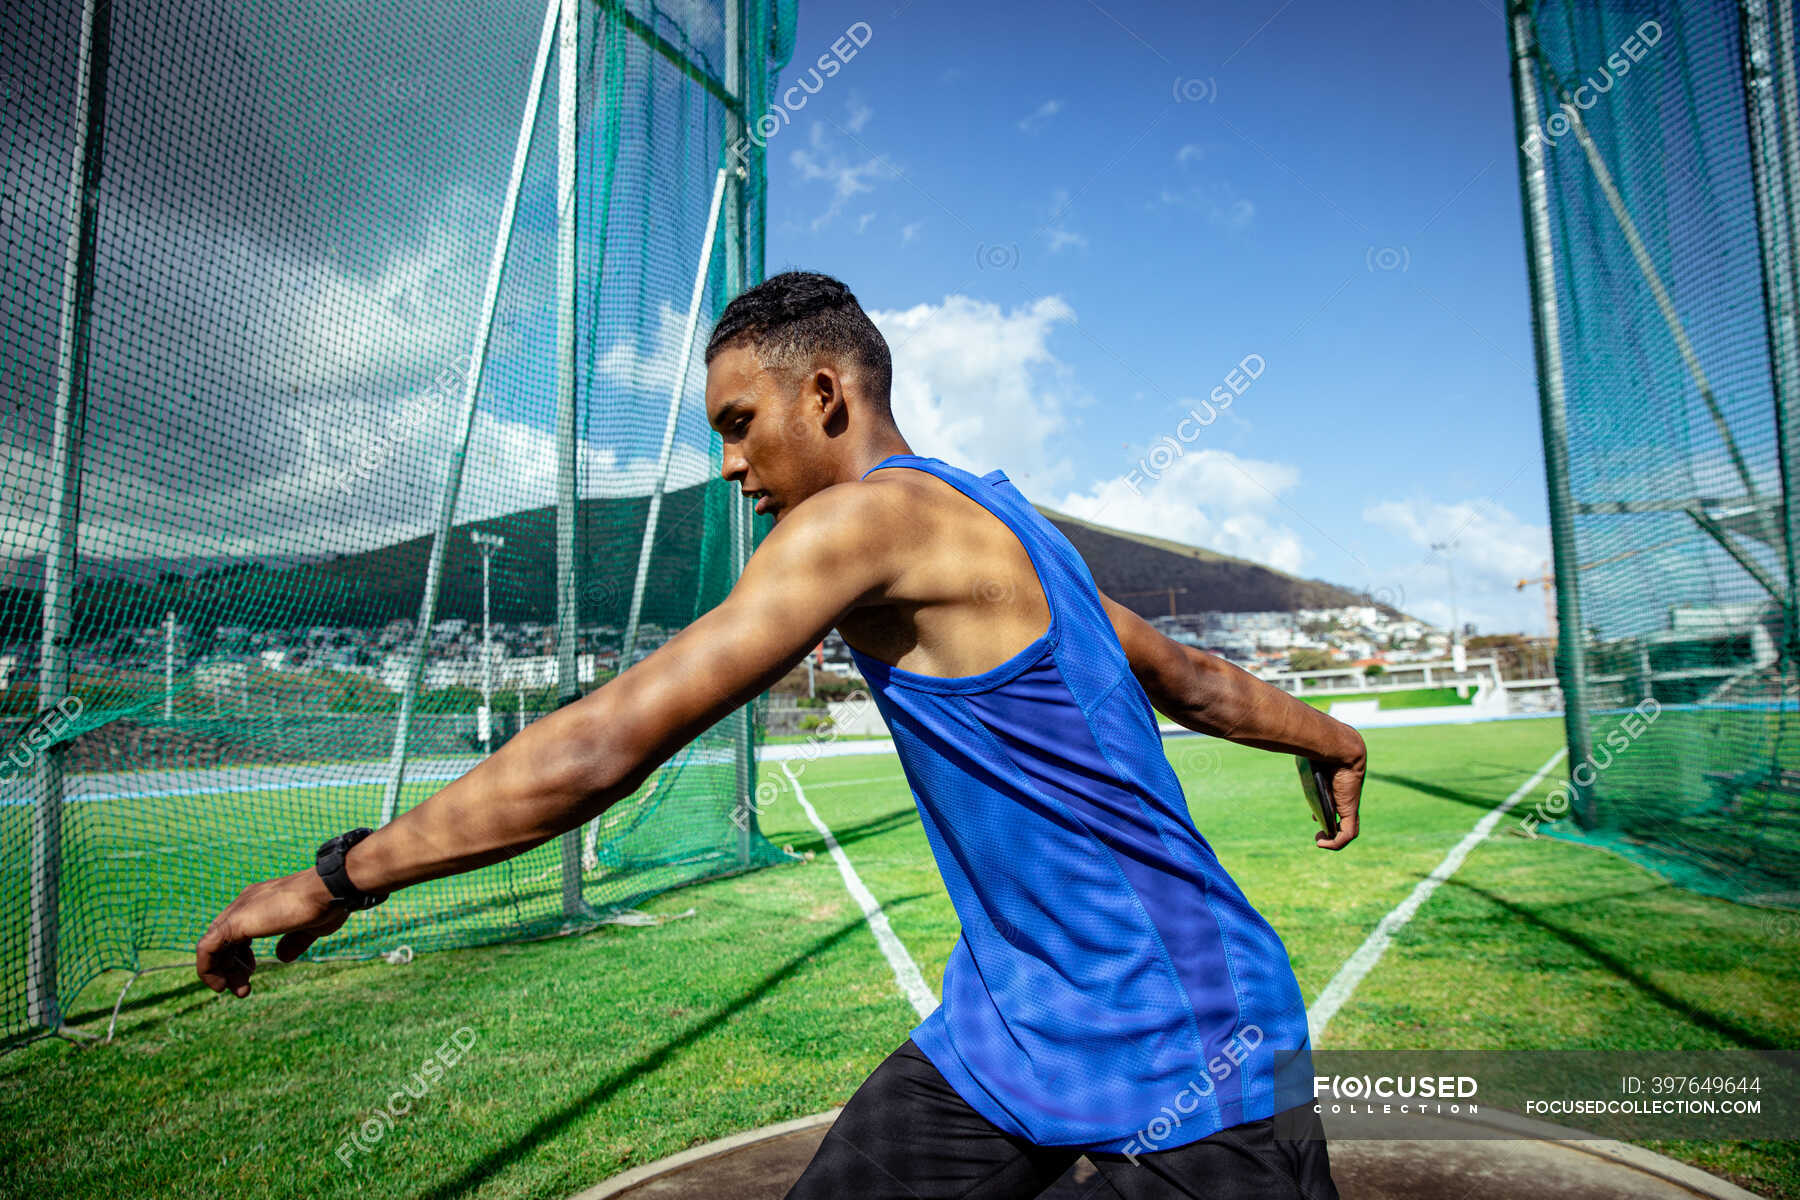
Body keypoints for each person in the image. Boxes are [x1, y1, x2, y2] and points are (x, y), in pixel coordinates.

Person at [197, 271, 1364, 1199]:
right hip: (1010, 1034)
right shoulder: (1006, 524)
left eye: (741, 423)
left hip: (1187, 1043)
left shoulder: (865, 518)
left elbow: (606, 744)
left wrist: (341, 876)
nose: (730, 464)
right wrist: (1330, 739)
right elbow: (1196, 682)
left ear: (826, 395)